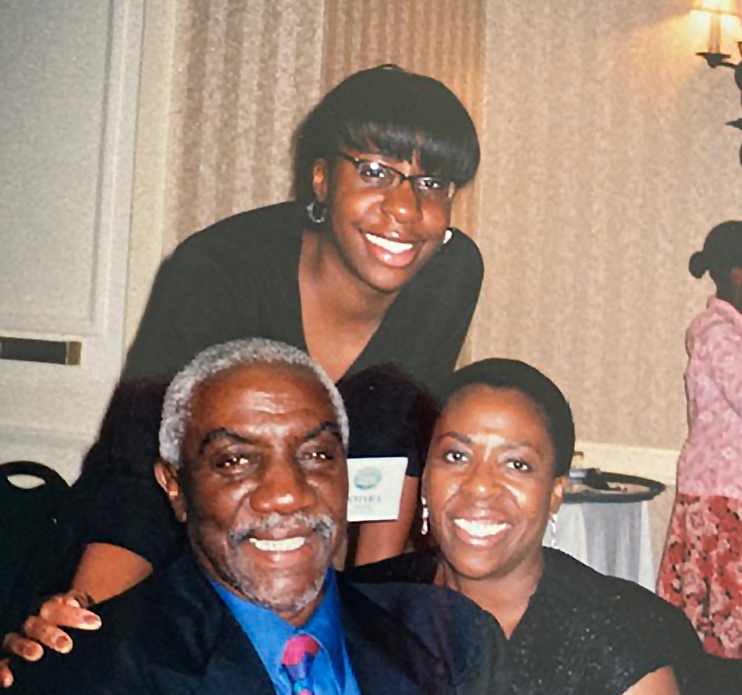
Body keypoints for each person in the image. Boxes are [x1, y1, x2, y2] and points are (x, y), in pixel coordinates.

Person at [0, 64, 485, 686]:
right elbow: (140, 478)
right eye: (374, 171)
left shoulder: (450, 272)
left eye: (431, 182)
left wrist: (375, 631)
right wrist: (88, 627)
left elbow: (391, 445)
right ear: (320, 177)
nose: (405, 207)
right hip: (150, 557)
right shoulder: (215, 273)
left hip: (285, 570)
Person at [7, 339, 506, 695]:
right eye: (235, 461)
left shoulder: (453, 641)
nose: (285, 495)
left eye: (316, 456)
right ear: (175, 487)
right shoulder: (89, 672)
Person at [350, 358, 707, 694]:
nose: (480, 486)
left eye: (516, 465)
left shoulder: (617, 641)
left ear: (554, 494)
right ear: (426, 478)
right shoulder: (365, 603)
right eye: (456, 456)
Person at [658, 221, 742, 660]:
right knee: (719, 639)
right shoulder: (716, 333)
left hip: (726, 498)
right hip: (719, 499)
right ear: (736, 273)